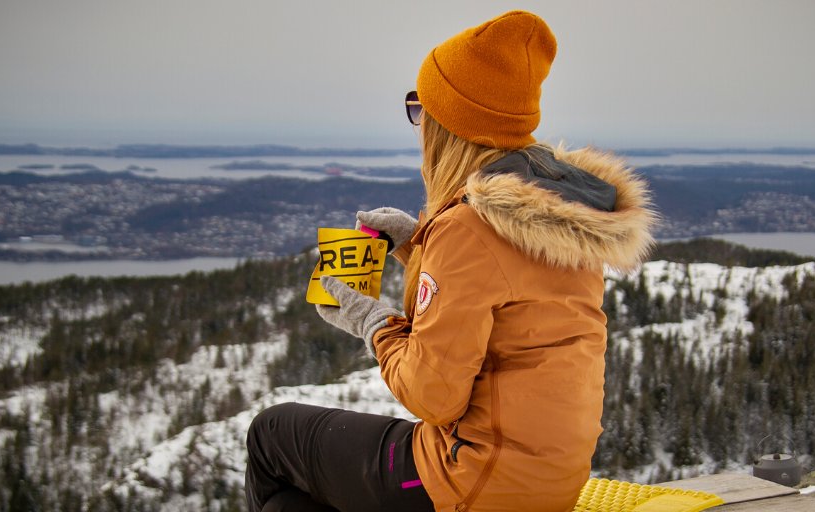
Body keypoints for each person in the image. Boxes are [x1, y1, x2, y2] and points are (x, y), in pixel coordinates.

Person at [245, 9, 656, 512]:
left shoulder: (468, 227)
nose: (418, 123)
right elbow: (506, 295)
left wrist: (372, 322)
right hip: (548, 479)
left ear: (449, 124)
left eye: (421, 108)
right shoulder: (561, 212)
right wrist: (416, 245)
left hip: (475, 482)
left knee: (270, 434)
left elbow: (433, 396)